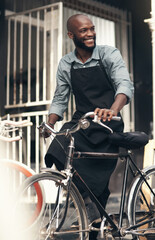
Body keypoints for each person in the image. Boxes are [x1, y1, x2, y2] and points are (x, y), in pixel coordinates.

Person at [45, 14, 134, 239]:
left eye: (92, 29)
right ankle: (93, 215)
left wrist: (113, 110)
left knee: (98, 184)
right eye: (84, 31)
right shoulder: (66, 63)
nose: (90, 34)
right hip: (83, 122)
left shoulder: (108, 54)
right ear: (71, 35)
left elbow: (124, 84)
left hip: (108, 124)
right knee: (59, 144)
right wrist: (50, 121)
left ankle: (94, 221)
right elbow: (60, 97)